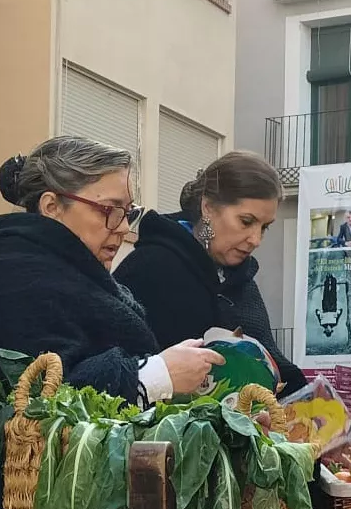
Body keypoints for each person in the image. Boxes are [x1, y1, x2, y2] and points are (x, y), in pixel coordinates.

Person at [0, 135, 223, 509]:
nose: (121, 228)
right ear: (52, 206)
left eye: (128, 211)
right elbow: (35, 398)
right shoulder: (5, 275)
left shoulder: (73, 276)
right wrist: (156, 374)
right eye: (109, 210)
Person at [114, 150, 309, 396]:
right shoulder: (148, 269)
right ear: (207, 207)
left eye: (265, 227)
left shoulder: (242, 282)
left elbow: (276, 372)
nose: (256, 239)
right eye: (246, 222)